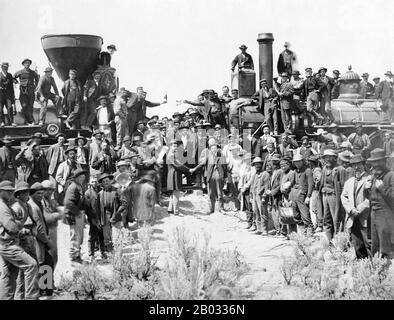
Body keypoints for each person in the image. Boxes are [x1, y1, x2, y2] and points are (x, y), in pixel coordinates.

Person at [0, 181, 39, 300]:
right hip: (8, 244)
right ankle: (31, 298)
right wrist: (21, 228)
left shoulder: (6, 206)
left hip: (7, 243)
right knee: (31, 265)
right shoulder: (3, 207)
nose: (10, 193)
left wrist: (17, 225)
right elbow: (11, 227)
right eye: (8, 191)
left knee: (9, 275)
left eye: (11, 191)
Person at [341, 155, 371, 259]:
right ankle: (361, 268)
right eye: (354, 165)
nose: (356, 167)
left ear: (363, 165)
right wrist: (351, 210)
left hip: (366, 217)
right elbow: (344, 197)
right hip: (353, 217)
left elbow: (371, 198)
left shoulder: (369, 179)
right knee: (357, 245)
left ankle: (374, 268)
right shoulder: (349, 182)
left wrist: (359, 209)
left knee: (368, 244)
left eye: (358, 164)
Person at [10, 182, 37, 300]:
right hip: (21, 241)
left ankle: (28, 295)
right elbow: (12, 228)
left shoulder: (28, 206)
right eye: (24, 192)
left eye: (27, 192)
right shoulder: (16, 208)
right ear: (18, 195)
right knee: (23, 270)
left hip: (30, 239)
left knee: (32, 269)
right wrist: (24, 231)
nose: (27, 194)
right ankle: (21, 296)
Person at [366, 148, 394, 259]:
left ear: (384, 161)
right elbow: (372, 197)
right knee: (375, 245)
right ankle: (376, 271)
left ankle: (388, 272)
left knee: (386, 247)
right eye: (373, 162)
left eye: (378, 161)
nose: (375, 165)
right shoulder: (374, 177)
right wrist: (367, 189)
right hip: (374, 215)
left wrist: (382, 188)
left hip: (386, 215)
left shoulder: (391, 175)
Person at [28, 182, 54, 297]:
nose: (41, 195)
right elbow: (39, 228)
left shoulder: (38, 203)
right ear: (32, 194)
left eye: (42, 193)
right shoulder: (33, 206)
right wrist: (46, 241)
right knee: (44, 264)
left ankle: (46, 290)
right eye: (38, 193)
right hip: (38, 241)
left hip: (40, 240)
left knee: (46, 263)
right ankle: (44, 291)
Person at [191, 138, 227, 214]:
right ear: (210, 149)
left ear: (217, 148)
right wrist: (194, 169)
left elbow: (225, 167)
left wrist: (225, 177)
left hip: (219, 175)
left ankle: (221, 208)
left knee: (220, 193)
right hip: (211, 176)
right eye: (212, 148)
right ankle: (211, 209)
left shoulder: (221, 156)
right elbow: (201, 164)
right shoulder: (208, 156)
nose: (214, 149)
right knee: (210, 193)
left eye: (215, 148)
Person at [320, 149, 346, 241]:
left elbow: (343, 187)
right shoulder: (324, 169)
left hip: (335, 196)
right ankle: (329, 240)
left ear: (335, 158)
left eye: (329, 157)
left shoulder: (340, 169)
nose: (327, 160)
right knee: (326, 219)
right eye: (325, 157)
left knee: (336, 219)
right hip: (325, 196)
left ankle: (338, 241)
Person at [63, 169, 87, 263]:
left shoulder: (79, 186)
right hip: (73, 215)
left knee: (79, 236)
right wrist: (78, 213)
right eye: (81, 176)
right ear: (76, 178)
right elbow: (68, 203)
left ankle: (77, 255)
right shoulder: (73, 187)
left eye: (83, 176)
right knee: (75, 236)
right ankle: (74, 258)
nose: (83, 177)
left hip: (78, 214)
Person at [289, 154, 314, 236]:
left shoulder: (307, 170)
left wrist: (308, 196)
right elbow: (292, 184)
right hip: (295, 194)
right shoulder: (295, 171)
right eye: (295, 162)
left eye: (299, 162)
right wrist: (291, 197)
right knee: (296, 215)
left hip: (303, 195)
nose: (297, 163)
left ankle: (310, 234)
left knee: (305, 215)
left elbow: (310, 184)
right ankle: (303, 233)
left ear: (302, 161)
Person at [41, 180, 63, 270]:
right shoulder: (40, 202)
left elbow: (60, 212)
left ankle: (50, 281)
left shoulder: (51, 201)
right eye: (47, 190)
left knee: (54, 257)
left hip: (53, 231)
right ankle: (46, 282)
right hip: (45, 232)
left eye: (51, 190)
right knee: (48, 258)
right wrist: (56, 215)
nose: (50, 192)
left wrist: (57, 214)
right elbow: (47, 218)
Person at [97, 173, 120, 252]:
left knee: (116, 234)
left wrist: (118, 213)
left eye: (107, 181)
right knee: (106, 234)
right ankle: (110, 251)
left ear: (110, 181)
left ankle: (118, 252)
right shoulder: (100, 194)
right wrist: (99, 220)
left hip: (116, 214)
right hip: (105, 214)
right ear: (102, 184)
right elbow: (98, 208)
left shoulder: (117, 190)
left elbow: (124, 204)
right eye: (104, 182)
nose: (106, 182)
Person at [166, 139, 190, 215]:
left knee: (173, 193)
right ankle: (176, 211)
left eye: (176, 146)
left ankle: (170, 209)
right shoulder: (171, 155)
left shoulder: (172, 153)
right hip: (174, 175)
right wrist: (188, 170)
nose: (175, 147)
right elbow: (178, 164)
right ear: (170, 146)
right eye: (173, 146)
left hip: (174, 174)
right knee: (176, 193)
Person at [14, 58, 39, 125]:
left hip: (31, 92)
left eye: (28, 63)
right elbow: (13, 77)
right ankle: (28, 120)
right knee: (24, 106)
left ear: (30, 64)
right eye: (26, 63)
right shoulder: (20, 72)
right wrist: (16, 82)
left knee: (30, 106)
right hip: (23, 91)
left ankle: (31, 121)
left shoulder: (33, 72)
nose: (27, 64)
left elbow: (37, 79)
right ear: (23, 64)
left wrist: (36, 87)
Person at [307, 154, 323, 232]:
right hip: (314, 190)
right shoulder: (313, 169)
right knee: (314, 208)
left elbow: (319, 179)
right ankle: (317, 224)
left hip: (316, 191)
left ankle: (320, 225)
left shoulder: (317, 170)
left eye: (310, 162)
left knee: (316, 207)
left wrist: (316, 184)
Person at [0, 62, 16, 126]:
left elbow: (11, 87)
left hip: (8, 95)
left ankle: (11, 122)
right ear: (1, 67)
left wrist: (13, 96)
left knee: (9, 108)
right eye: (4, 67)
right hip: (0, 95)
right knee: (0, 109)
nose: (5, 68)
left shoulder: (10, 75)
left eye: (6, 67)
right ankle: (1, 122)